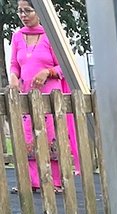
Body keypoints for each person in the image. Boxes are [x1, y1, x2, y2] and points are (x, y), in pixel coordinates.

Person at [8, 1, 81, 191]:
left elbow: (64, 67)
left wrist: (47, 72)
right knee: (28, 136)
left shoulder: (51, 36)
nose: (23, 15)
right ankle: (32, 181)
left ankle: (55, 182)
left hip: (50, 96)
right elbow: (15, 64)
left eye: (28, 11)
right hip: (26, 94)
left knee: (51, 135)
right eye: (20, 11)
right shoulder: (17, 37)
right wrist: (14, 77)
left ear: (38, 12)